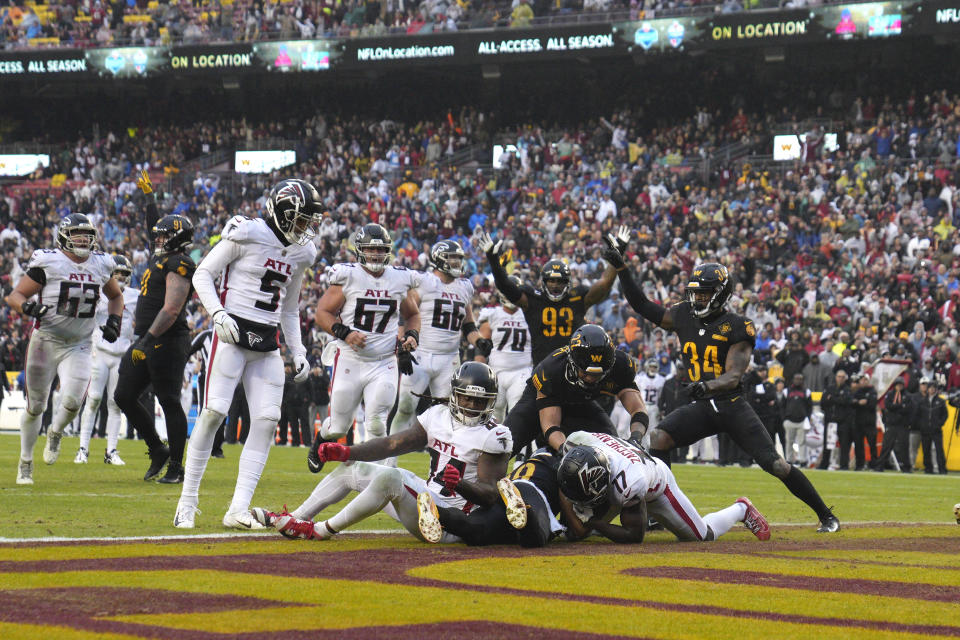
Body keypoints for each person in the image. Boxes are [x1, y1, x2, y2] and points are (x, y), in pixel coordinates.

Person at [614, 259, 839, 532]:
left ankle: (826, 515)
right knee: (659, 438)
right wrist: (622, 269)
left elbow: (734, 375)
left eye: (704, 293)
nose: (698, 298)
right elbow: (643, 306)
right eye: (696, 292)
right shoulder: (684, 315)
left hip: (730, 405)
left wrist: (707, 386)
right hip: (702, 405)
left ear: (720, 294)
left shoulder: (737, 325)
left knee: (777, 464)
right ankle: (662, 511)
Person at [175, 179, 319, 529]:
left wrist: (298, 350)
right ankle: (187, 502)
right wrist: (218, 314)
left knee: (267, 422)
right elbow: (203, 274)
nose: (307, 228)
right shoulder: (247, 231)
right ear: (283, 213)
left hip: (267, 343)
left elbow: (289, 307)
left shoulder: (303, 253)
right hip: (231, 333)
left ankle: (237, 508)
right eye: (302, 219)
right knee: (213, 413)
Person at [252, 362, 512, 542]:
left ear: (490, 401)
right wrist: (346, 451)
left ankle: (320, 530)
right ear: (454, 394)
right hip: (422, 498)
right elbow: (392, 444)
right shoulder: (437, 416)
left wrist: (463, 485)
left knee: (392, 478)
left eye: (480, 401)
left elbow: (490, 495)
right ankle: (296, 518)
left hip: (448, 522)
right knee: (353, 468)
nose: (472, 406)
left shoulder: (495, 435)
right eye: (466, 398)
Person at [4, 214, 124, 484]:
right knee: (35, 406)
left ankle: (56, 432)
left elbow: (116, 296)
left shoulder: (101, 264)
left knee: (73, 402)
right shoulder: (49, 261)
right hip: (46, 340)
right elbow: (15, 296)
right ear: (63, 236)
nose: (83, 239)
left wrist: (115, 321)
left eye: (86, 234)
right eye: (77, 234)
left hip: (79, 343)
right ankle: (26, 461)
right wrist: (28, 307)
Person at [307, 223, 421, 474]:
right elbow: (322, 313)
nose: (376, 255)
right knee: (338, 425)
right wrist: (345, 333)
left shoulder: (400, 279)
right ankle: (320, 442)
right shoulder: (348, 276)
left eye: (381, 251)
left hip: (384, 361)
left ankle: (377, 476)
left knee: (378, 422)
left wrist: (412, 336)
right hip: (350, 358)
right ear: (360, 250)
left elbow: (413, 315)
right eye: (371, 250)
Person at [114, 171, 196, 484]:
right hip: (146, 339)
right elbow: (155, 226)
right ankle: (156, 449)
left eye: (163, 236)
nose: (157, 239)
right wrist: (150, 198)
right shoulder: (162, 256)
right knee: (124, 395)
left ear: (176, 239)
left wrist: (146, 341)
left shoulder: (180, 263)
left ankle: (176, 465)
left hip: (166, 340)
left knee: (169, 400)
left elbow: (172, 308)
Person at [558, 431, 771, 543]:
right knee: (576, 534)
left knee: (701, 536)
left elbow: (633, 536)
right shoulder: (577, 441)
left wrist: (595, 522)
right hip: (621, 477)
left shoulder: (630, 483)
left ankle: (742, 509)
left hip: (658, 487)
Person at [478, 226, 625, 368]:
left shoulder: (577, 298)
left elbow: (605, 284)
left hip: (571, 369)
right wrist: (493, 259)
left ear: (568, 283)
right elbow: (505, 286)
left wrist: (616, 257)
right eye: (551, 281)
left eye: (560, 281)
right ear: (544, 282)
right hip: (542, 369)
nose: (555, 285)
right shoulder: (533, 299)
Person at [389, 240, 492, 434]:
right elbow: (407, 316)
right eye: (452, 259)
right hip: (420, 354)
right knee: (405, 409)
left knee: (447, 415)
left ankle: (439, 462)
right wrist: (402, 347)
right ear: (439, 259)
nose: (456, 263)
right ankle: (389, 460)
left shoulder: (464, 287)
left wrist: (479, 341)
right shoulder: (425, 281)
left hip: (449, 359)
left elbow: (468, 325)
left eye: (458, 259)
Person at [502, 323, 649, 457]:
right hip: (541, 401)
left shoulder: (621, 365)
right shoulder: (552, 370)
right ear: (572, 363)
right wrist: (568, 452)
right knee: (504, 446)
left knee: (612, 451)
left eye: (597, 375)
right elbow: (550, 425)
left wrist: (636, 438)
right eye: (585, 373)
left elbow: (638, 409)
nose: (591, 379)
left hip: (581, 403)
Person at [422, 448, 568, 548]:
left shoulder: (535, 462)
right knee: (536, 539)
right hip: (531, 493)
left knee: (475, 532)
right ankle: (524, 512)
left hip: (507, 490)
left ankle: (437, 512)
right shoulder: (561, 466)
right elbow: (575, 528)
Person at [75, 255, 139, 466]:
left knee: (115, 404)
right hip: (99, 351)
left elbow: (139, 326)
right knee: (93, 399)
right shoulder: (100, 294)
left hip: (121, 355)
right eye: (117, 274)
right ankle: (83, 448)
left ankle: (111, 450)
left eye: (124, 275)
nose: (120, 278)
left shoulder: (135, 297)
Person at [476, 274, 532, 422]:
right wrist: (479, 372)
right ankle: (495, 444)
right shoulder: (492, 315)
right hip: (496, 372)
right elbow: (481, 347)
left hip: (522, 371)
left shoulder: (529, 316)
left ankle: (517, 445)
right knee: (494, 414)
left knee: (518, 414)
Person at [187, 327, 225, 458]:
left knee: (221, 413)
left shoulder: (230, 336)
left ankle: (216, 448)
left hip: (224, 379)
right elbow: (188, 349)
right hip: (206, 379)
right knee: (203, 412)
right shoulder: (205, 335)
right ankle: (199, 446)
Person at [871, 377, 912, 472]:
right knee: (886, 445)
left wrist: (895, 408)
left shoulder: (907, 395)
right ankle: (880, 465)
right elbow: (888, 406)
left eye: (901, 385)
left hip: (902, 424)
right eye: (898, 385)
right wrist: (900, 406)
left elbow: (907, 409)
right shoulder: (890, 395)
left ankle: (906, 467)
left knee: (904, 446)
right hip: (891, 424)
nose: (899, 387)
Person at [820, 370, 856, 470]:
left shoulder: (847, 390)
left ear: (845, 378)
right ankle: (824, 464)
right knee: (827, 445)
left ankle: (844, 465)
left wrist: (832, 399)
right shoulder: (829, 388)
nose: (840, 379)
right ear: (836, 377)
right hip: (831, 421)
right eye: (839, 376)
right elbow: (823, 402)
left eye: (842, 377)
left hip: (843, 422)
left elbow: (846, 401)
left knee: (844, 445)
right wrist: (838, 399)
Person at [914, 380, 948, 474]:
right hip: (925, 430)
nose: (932, 389)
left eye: (934, 388)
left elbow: (945, 415)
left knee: (939, 450)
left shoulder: (940, 401)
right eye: (930, 388)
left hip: (936, 430)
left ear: (936, 389)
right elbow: (917, 415)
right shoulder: (922, 402)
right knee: (926, 450)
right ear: (928, 389)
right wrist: (921, 425)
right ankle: (928, 468)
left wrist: (939, 424)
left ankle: (942, 469)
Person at [782, 373, 813, 466]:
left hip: (802, 421)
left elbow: (809, 407)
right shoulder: (786, 391)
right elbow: (782, 406)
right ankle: (789, 460)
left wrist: (807, 417)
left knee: (802, 442)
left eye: (800, 379)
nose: (798, 381)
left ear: (802, 380)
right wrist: (784, 418)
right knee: (789, 442)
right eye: (796, 379)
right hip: (789, 420)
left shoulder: (806, 391)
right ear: (793, 380)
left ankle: (803, 460)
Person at [851, 373, 878, 470]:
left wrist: (860, 403)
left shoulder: (872, 391)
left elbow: (872, 404)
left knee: (872, 445)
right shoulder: (857, 392)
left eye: (865, 380)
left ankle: (874, 465)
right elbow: (852, 403)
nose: (863, 381)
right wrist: (859, 403)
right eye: (862, 380)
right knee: (858, 445)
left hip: (869, 423)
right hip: (858, 422)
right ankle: (859, 465)